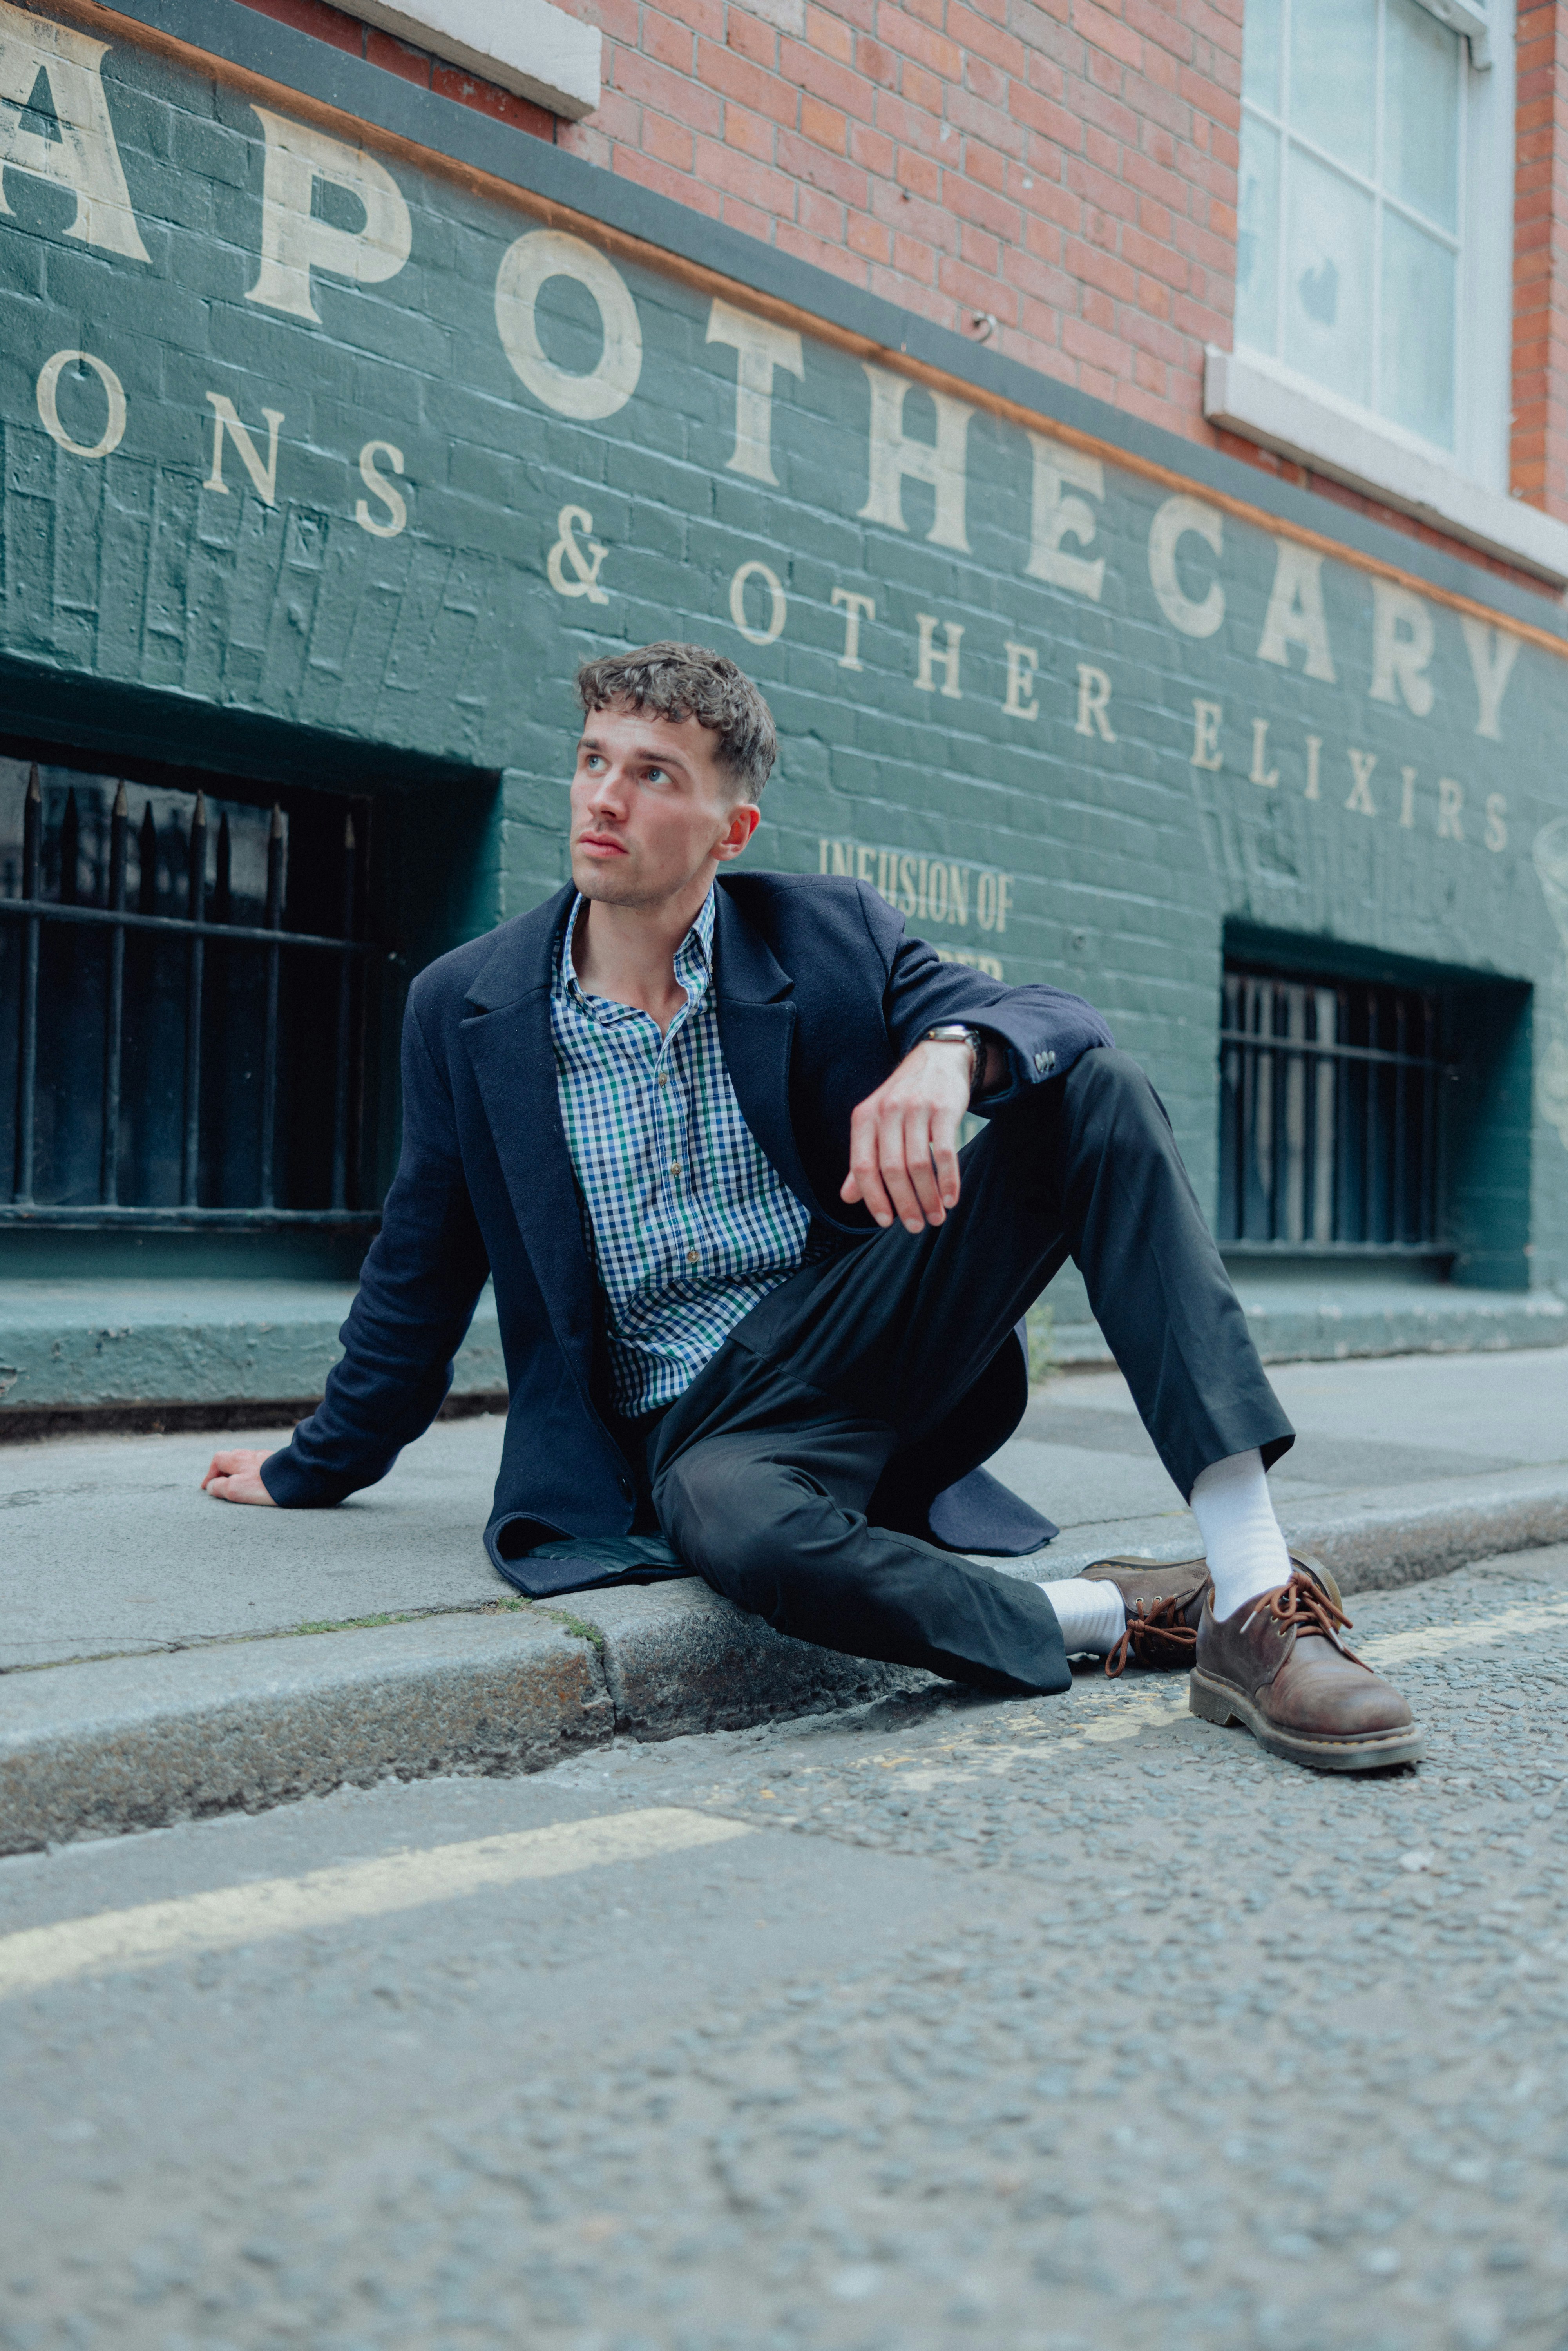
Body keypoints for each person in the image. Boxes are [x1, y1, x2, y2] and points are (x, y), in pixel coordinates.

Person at [204, 643, 1421, 1774]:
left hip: (860, 1334)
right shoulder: (468, 1008)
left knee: (1091, 1092)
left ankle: (1258, 1596)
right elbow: (420, 1265)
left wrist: (950, 1054)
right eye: (591, 761)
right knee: (743, 1535)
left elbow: (1057, 1020)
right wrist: (315, 1465)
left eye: (650, 775)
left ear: (729, 827)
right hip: (702, 1432)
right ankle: (1125, 1613)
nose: (602, 800)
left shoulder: (827, 935)